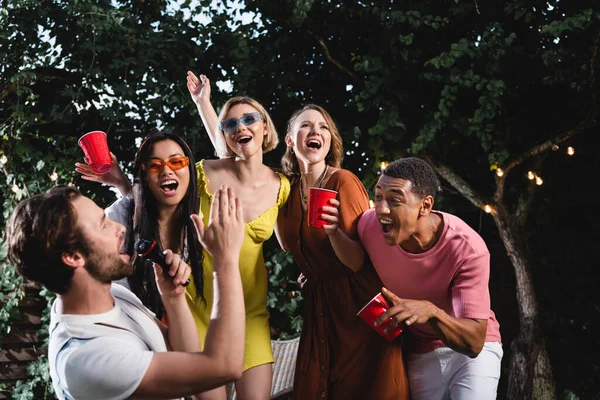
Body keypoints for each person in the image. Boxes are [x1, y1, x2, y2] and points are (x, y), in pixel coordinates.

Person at [5, 184, 246, 400]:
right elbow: (224, 367)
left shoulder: (113, 295)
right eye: (103, 225)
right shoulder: (87, 360)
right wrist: (225, 260)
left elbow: (189, 360)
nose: (120, 227)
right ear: (73, 257)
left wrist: (174, 299)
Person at [331, 157, 503, 400]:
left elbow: (474, 341)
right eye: (378, 196)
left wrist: (431, 312)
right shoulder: (369, 226)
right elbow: (352, 261)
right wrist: (315, 272)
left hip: (472, 355)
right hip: (420, 352)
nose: (381, 209)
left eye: (395, 200)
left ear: (425, 205)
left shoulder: (466, 248)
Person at [275, 104, 409, 399]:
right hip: (320, 305)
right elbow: (289, 245)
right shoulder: (285, 189)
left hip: (362, 304)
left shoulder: (342, 181)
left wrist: (333, 232)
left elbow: (358, 261)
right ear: (289, 139)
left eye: (323, 127)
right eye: (306, 125)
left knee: (369, 388)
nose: (315, 131)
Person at [188, 72, 290, 400]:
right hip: (201, 311)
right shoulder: (205, 172)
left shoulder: (282, 187)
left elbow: (297, 240)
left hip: (250, 315)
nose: (240, 127)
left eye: (249, 119)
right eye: (231, 125)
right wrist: (203, 103)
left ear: (265, 128)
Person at [76, 131, 205, 322]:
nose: (166, 171)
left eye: (176, 162)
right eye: (154, 165)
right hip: (130, 333)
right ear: (144, 175)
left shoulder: (203, 216)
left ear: (190, 169)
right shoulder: (119, 219)